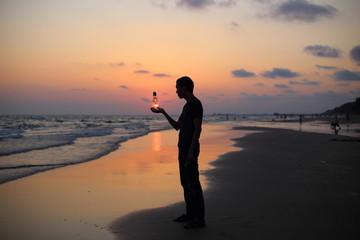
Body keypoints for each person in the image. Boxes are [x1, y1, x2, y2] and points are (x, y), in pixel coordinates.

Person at [151, 76, 205, 229]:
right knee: (185, 183)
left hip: (190, 150)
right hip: (182, 148)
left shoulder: (195, 104)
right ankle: (190, 214)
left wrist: (190, 152)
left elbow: (197, 129)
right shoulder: (186, 106)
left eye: (177, 87)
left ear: (184, 88)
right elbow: (177, 126)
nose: (176, 91)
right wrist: (163, 112)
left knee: (193, 184)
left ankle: (199, 219)